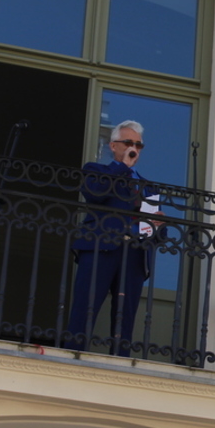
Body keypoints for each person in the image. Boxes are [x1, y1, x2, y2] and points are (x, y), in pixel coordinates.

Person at [67, 120, 161, 356]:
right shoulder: (96, 170)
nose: (134, 148)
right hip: (100, 247)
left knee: (125, 316)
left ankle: (120, 360)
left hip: (135, 253)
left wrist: (158, 226)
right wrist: (123, 167)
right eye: (128, 142)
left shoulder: (148, 187)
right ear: (113, 146)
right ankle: (72, 354)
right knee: (86, 306)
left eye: (138, 145)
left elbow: (157, 233)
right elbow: (94, 193)